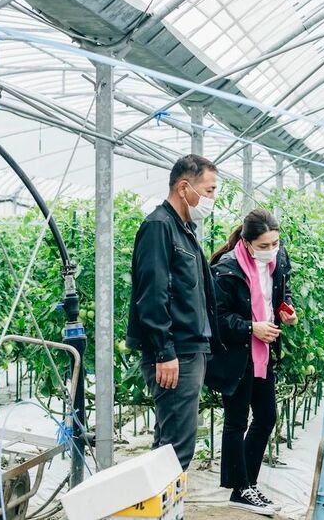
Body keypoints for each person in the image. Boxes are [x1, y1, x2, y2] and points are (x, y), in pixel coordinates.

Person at [126, 154, 220, 471]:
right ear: (184, 187)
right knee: (176, 448)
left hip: (188, 348)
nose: (212, 199)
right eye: (208, 190)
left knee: (170, 441)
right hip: (174, 351)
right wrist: (164, 351)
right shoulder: (159, 227)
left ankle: (160, 508)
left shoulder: (183, 229)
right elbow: (152, 295)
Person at [206, 209, 297, 516]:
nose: (271, 251)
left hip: (264, 352)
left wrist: (288, 310)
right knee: (236, 421)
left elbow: (283, 292)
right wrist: (251, 327)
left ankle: (244, 484)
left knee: (267, 416)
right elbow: (216, 319)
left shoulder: (278, 259)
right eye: (264, 246)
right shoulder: (226, 269)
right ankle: (242, 487)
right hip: (237, 354)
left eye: (275, 243)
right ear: (245, 242)